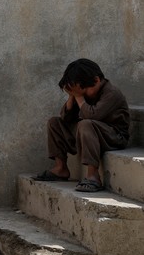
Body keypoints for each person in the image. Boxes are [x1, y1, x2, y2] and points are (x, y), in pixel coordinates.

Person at [33, 58, 130, 192]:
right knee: (54, 122)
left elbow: (92, 116)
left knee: (85, 124)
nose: (82, 95)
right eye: (77, 92)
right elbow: (65, 118)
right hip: (88, 135)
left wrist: (79, 97)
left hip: (113, 136)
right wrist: (72, 97)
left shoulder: (111, 93)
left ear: (96, 80)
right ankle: (61, 168)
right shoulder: (84, 93)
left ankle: (93, 175)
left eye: (83, 91)